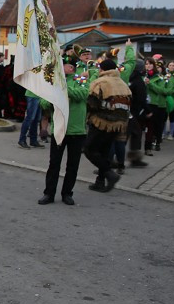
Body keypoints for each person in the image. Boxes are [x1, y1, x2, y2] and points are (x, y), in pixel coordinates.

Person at [40, 58, 90, 205]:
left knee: (72, 165)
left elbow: (83, 94)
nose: (60, 68)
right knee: (54, 164)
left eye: (63, 66)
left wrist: (64, 89)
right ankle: (49, 193)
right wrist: (51, 97)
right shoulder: (53, 81)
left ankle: (67, 193)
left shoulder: (80, 79)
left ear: (71, 68)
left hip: (76, 130)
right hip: (59, 129)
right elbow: (43, 102)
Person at [84, 58, 131, 192]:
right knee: (104, 152)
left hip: (101, 122)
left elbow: (92, 103)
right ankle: (100, 182)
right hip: (118, 124)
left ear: (102, 69)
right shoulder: (122, 83)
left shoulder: (100, 82)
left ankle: (109, 174)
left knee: (89, 150)